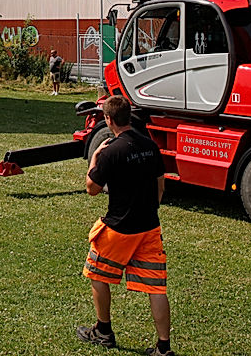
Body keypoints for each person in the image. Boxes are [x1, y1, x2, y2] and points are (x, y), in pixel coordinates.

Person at [78, 95, 173, 355]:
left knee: (96, 273)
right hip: (150, 227)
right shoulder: (150, 145)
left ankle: (103, 331)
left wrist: (94, 157)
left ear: (108, 119)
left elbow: (92, 188)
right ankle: (163, 347)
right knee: (156, 288)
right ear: (128, 116)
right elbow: (161, 185)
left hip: (118, 229)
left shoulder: (110, 152)